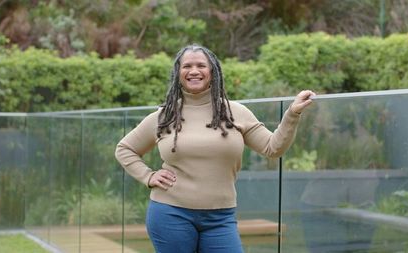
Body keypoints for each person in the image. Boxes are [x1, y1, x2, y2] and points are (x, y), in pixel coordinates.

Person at [115, 44, 315, 253]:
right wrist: (149, 176)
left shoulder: (236, 112)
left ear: (212, 72)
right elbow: (125, 148)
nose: (194, 71)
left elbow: (272, 148)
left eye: (201, 65)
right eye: (187, 66)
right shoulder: (164, 116)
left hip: (221, 217)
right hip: (170, 214)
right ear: (178, 73)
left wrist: (292, 114)